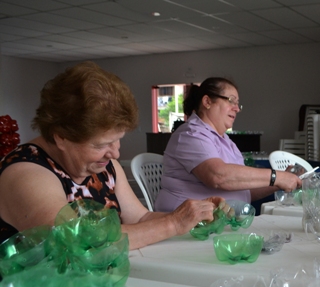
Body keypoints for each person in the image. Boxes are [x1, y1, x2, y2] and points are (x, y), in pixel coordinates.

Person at [0, 62, 225, 250]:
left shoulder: (104, 166)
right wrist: (173, 224)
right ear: (61, 137)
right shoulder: (25, 172)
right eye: (102, 144)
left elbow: (140, 219)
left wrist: (193, 215)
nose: (115, 153)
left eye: (118, 140)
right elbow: (77, 241)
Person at [154, 77, 302, 212]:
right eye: (231, 100)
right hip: (186, 223)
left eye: (237, 103)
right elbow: (217, 176)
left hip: (220, 221)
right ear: (207, 102)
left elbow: (244, 190)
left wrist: (280, 182)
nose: (237, 108)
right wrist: (276, 176)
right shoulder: (191, 134)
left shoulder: (225, 141)